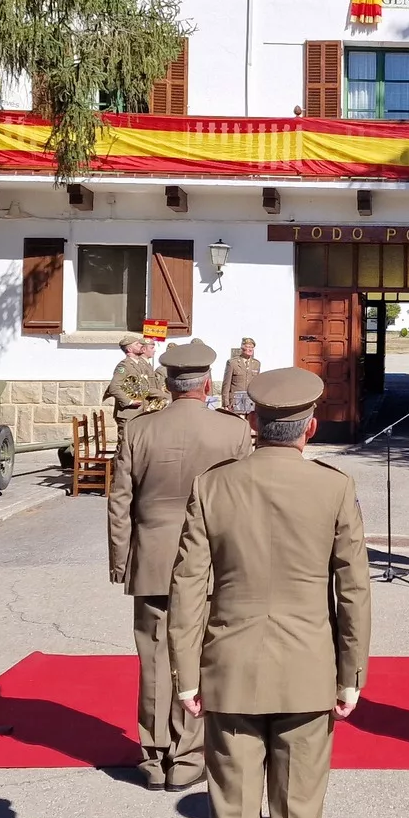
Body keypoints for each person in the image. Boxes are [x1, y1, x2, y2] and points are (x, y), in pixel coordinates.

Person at [169, 367, 372, 818]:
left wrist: (185, 673)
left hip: (231, 664)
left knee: (233, 815)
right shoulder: (334, 487)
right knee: (298, 814)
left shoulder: (213, 486)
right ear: (311, 427)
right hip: (307, 665)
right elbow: (353, 589)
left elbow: (189, 584)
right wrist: (351, 675)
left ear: (254, 420)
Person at [107, 339, 254, 791]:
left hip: (151, 555)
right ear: (208, 381)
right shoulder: (233, 431)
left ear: (168, 384)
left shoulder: (139, 430)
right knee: (201, 654)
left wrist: (120, 560)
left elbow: (120, 501)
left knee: (153, 656)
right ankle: (188, 753)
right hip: (212, 560)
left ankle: (153, 756)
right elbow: (247, 502)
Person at [107, 336, 166, 421]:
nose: (141, 346)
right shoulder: (124, 366)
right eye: (137, 344)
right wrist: (129, 401)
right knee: (127, 434)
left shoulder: (138, 364)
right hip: (128, 413)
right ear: (130, 350)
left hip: (139, 411)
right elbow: (114, 387)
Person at [220, 338, 260, 415]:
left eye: (252, 347)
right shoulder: (232, 363)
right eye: (248, 347)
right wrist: (226, 403)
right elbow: (226, 384)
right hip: (236, 403)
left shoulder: (256, 364)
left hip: (250, 403)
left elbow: (256, 384)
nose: (250, 349)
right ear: (242, 347)